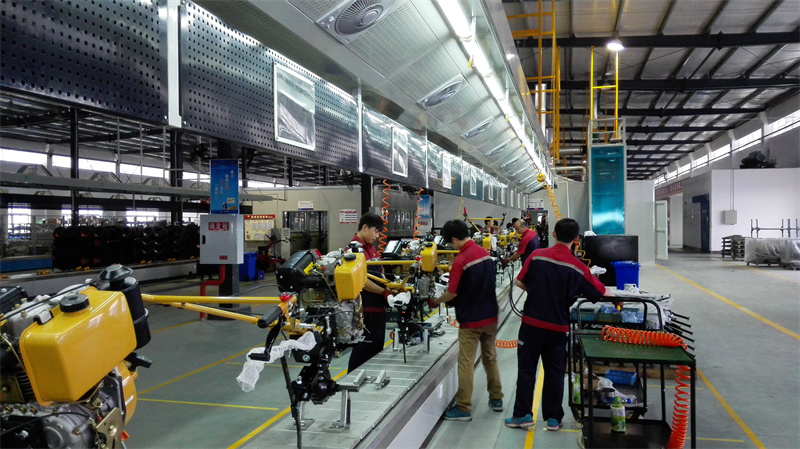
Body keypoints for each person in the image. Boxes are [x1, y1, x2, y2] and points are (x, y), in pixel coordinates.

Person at [504, 218, 613, 431]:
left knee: (527, 370)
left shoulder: (537, 256)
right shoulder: (578, 267)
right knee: (554, 372)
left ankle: (522, 415)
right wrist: (621, 300)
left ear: (553, 234)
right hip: (558, 328)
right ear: (576, 239)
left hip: (532, 325)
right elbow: (601, 292)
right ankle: (553, 418)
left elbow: (519, 281)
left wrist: (538, 292)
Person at [430, 219, 503, 421]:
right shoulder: (485, 254)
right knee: (490, 358)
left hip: (471, 319)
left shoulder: (461, 260)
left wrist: (435, 301)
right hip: (491, 316)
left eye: (450, 243)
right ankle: (496, 398)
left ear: (454, 239)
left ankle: (463, 407)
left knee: (466, 362)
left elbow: (452, 293)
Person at [347, 212, 395, 372]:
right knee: (363, 350)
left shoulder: (371, 249)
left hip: (378, 308)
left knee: (376, 348)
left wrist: (389, 287)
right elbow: (362, 280)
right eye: (376, 231)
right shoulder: (354, 250)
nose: (377, 236)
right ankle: (352, 378)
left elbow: (379, 271)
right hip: (366, 311)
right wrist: (383, 292)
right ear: (365, 227)